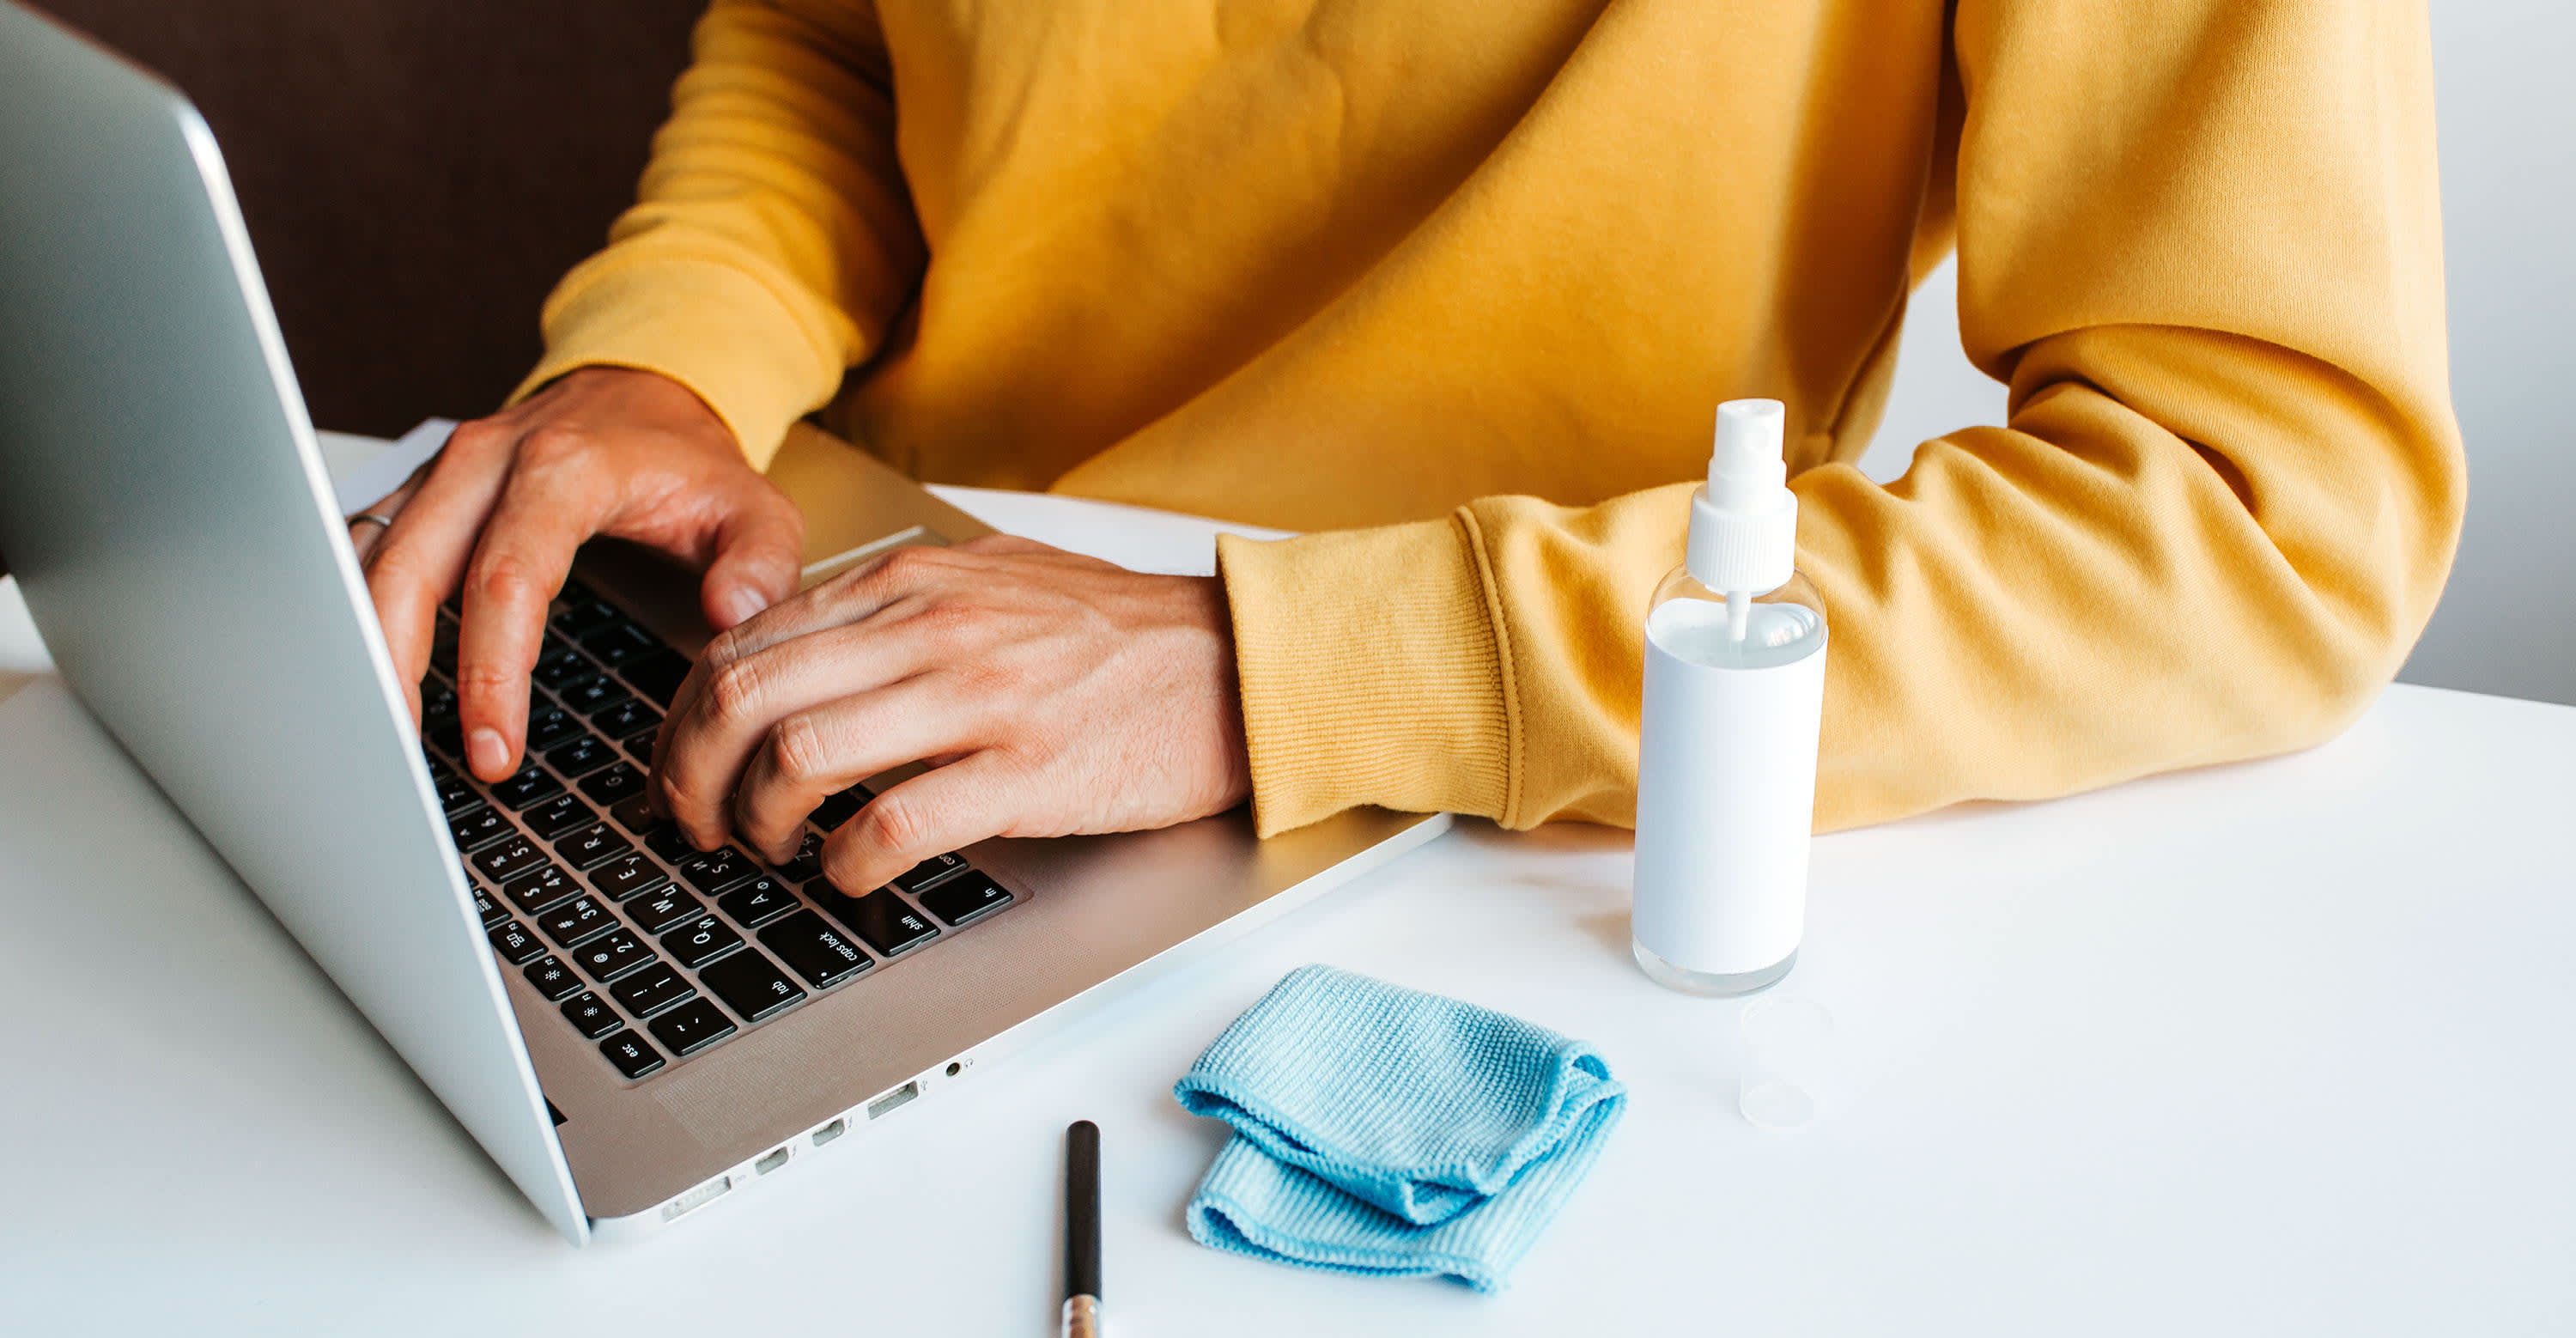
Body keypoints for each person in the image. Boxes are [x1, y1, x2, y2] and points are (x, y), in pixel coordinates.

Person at [354, 0, 2463, 900]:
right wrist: (664, 367)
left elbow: (2261, 509)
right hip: (853, 625)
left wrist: (1265, 664)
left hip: (1520, 805)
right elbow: (829, 46)